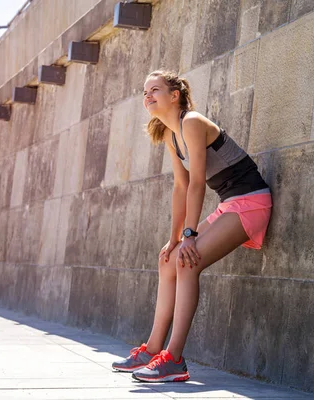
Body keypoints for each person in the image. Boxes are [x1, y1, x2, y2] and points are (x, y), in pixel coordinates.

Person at [111, 70, 273, 382]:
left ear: (175, 95)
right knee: (170, 260)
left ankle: (173, 359)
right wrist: (174, 239)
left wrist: (189, 234)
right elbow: (180, 187)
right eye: (145, 92)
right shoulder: (170, 134)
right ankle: (151, 349)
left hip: (252, 202)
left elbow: (198, 183)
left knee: (187, 263)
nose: (148, 96)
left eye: (154, 90)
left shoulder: (192, 122)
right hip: (230, 204)